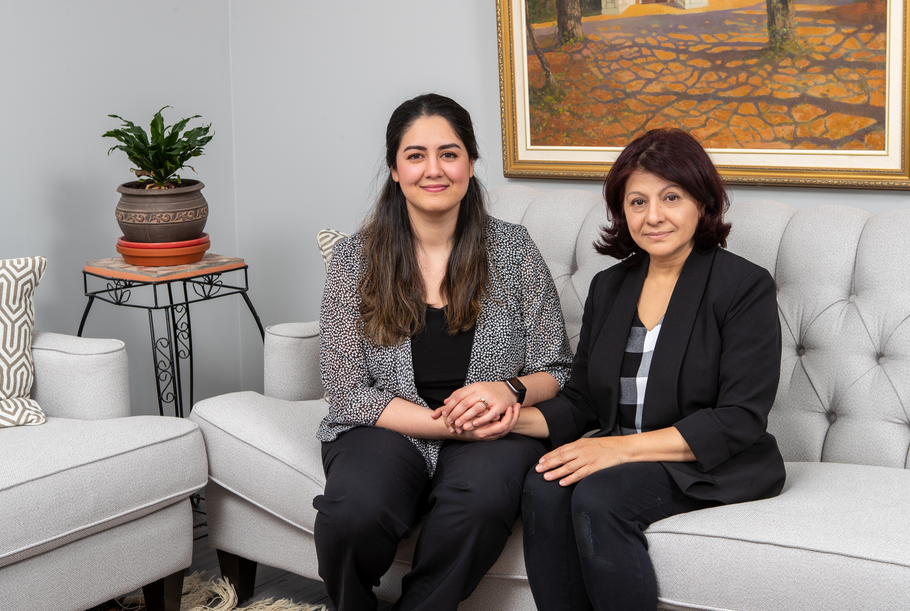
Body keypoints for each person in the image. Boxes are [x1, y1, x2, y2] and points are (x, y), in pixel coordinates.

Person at [312, 93, 572, 611]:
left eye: (449, 154)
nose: (434, 170)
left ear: (471, 164)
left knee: (477, 505)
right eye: (416, 155)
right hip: (385, 428)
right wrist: (446, 424)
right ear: (394, 169)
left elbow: (557, 367)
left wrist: (509, 390)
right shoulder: (353, 258)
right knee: (352, 513)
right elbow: (345, 388)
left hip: (493, 436)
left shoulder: (514, 249)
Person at [511, 129, 787, 611]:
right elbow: (581, 401)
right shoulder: (609, 286)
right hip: (626, 451)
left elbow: (740, 417)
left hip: (710, 463)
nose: (653, 215)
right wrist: (506, 417)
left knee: (599, 497)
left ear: (702, 203)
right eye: (637, 202)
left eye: (671, 197)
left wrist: (618, 449)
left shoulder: (744, 286)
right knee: (542, 485)